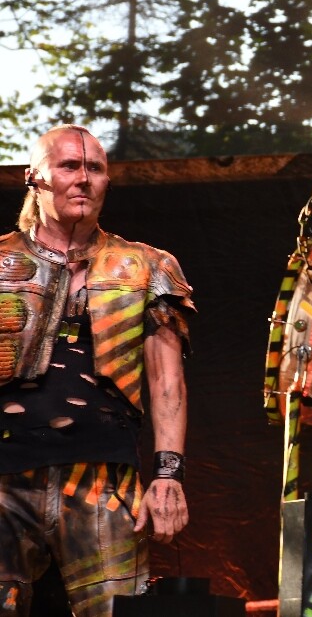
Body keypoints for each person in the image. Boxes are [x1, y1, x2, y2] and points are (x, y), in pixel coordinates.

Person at [0, 125, 195, 616]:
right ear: (35, 177)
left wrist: (168, 475)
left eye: (95, 168)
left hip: (104, 479)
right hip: (3, 478)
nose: (84, 178)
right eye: (69, 166)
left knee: (115, 610)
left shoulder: (148, 266)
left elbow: (167, 381)